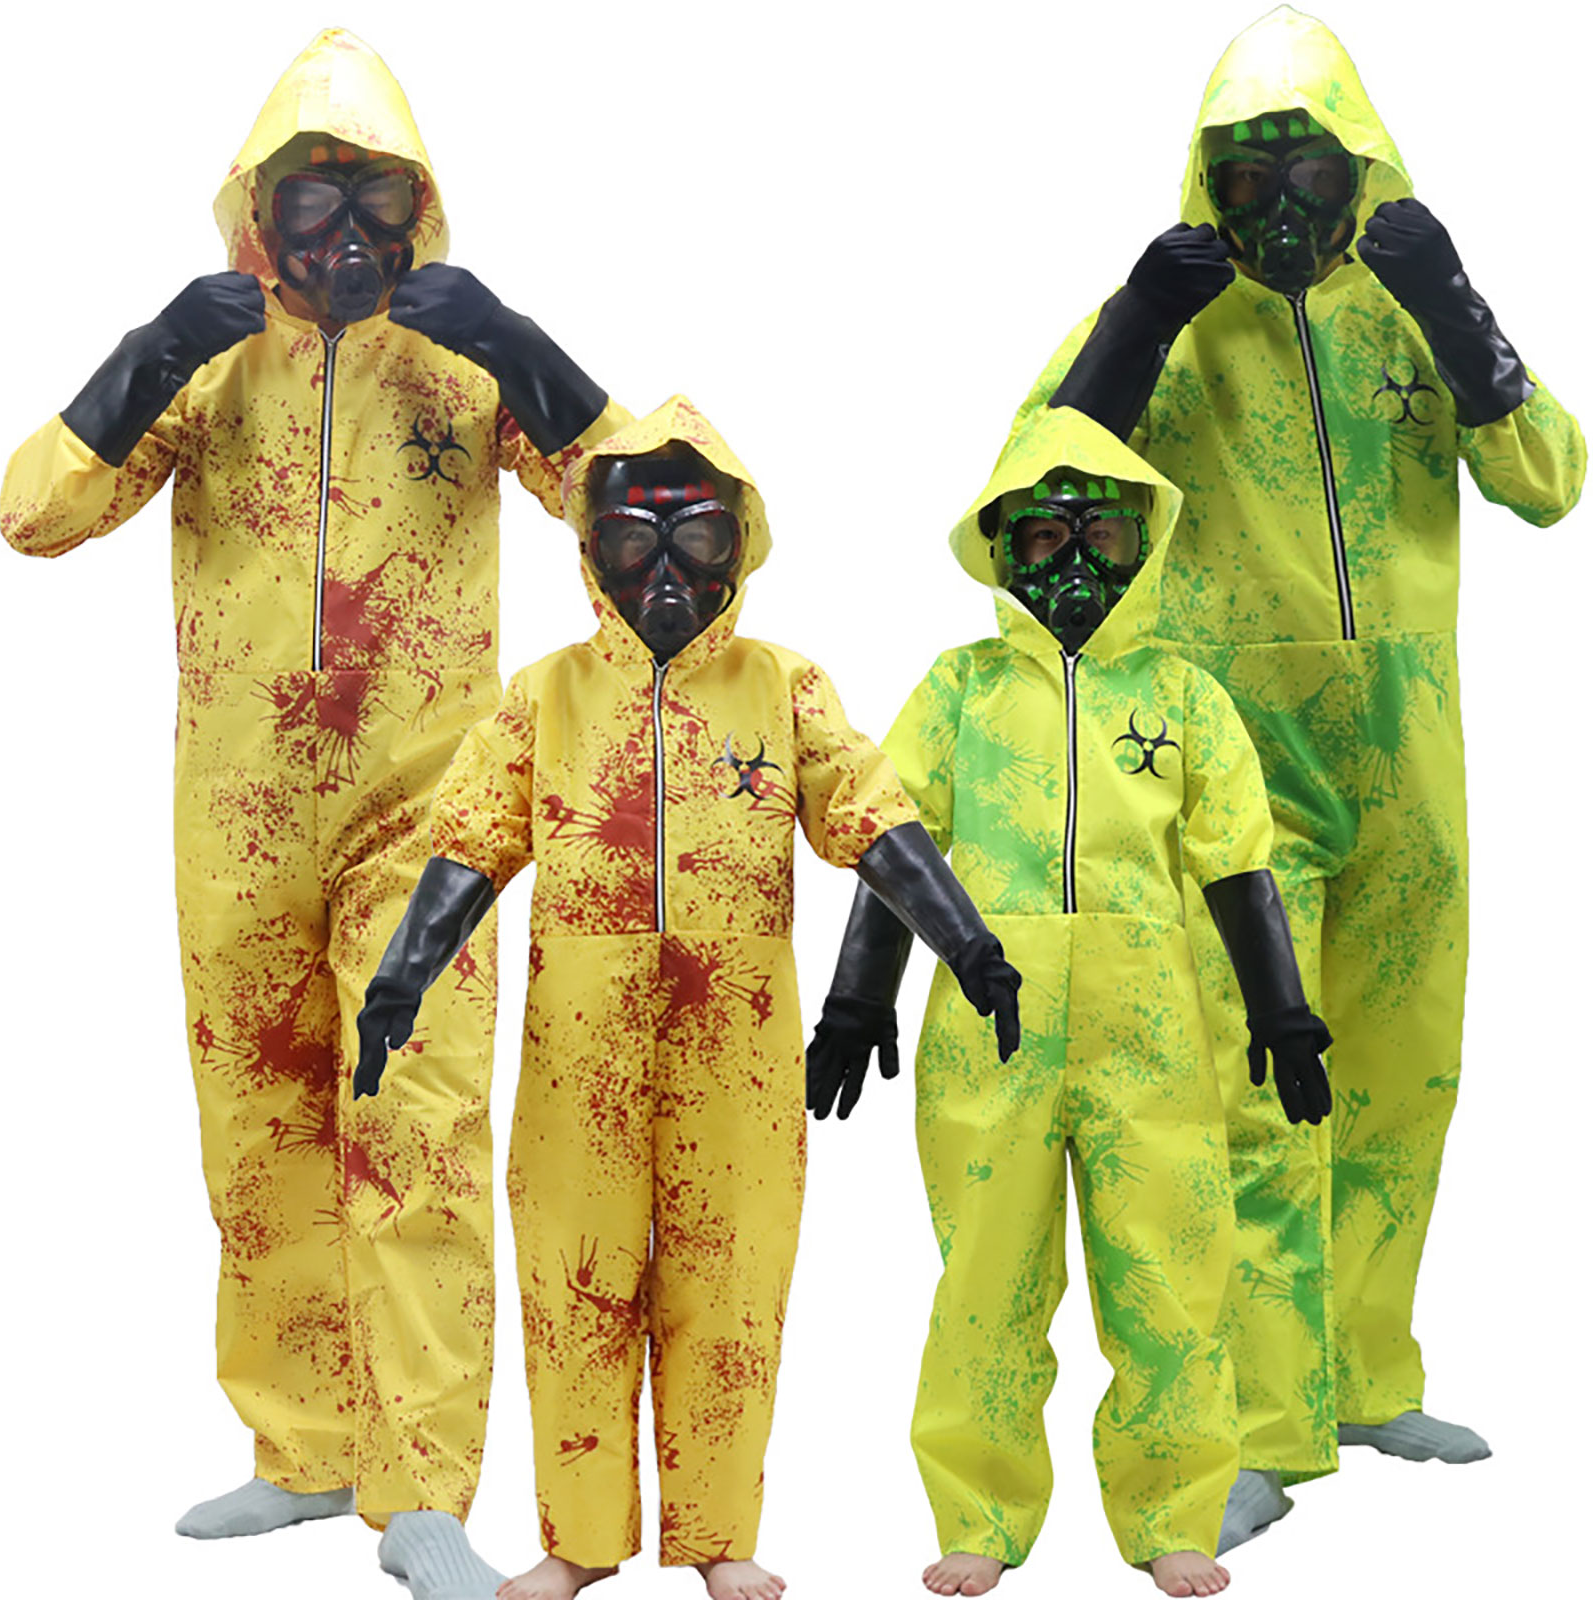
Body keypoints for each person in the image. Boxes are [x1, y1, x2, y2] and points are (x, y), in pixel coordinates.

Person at [0, 27, 627, 1597]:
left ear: (424, 211)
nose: (344, 232)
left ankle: (420, 1495)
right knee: (260, 1124)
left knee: (416, 1122)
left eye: (375, 199)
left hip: (430, 815)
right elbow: (31, 514)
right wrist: (149, 351)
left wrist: (525, 350)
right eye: (311, 199)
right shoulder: (207, 368)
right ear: (254, 216)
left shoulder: (464, 366)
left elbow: (634, 508)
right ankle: (302, 1449)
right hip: (238, 818)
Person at [1000, 4, 1586, 1549]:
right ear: (1208, 182)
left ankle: (1366, 1374)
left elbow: (1548, 483)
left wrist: (1456, 303)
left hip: (1411, 755)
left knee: (1407, 1072)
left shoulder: (1405, 313)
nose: (1280, 204)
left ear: (1363, 169)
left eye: (1309, 169)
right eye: (1246, 173)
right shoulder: (1174, 320)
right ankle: (1259, 1428)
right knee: (1262, 1089)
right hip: (1239, 763)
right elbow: (1022, 501)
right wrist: (1136, 326)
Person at [354, 395, 1022, 1600]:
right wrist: (401, 976)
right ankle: (579, 1538)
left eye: (697, 538)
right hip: (579, 1050)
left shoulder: (782, 689)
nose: (664, 573)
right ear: (591, 551)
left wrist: (966, 941)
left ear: (740, 544)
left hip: (737, 1045)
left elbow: (869, 814)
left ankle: (719, 1534)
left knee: (733, 1279)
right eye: (632, 540)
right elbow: (471, 844)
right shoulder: (546, 696)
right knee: (574, 1280)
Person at [806, 404, 1329, 1599]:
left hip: (1152, 1033)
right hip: (990, 1029)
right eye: (1042, 538)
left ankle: (1173, 1507)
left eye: (1099, 533)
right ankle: (980, 1510)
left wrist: (1279, 1011)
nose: (1073, 561)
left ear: (1142, 541)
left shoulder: (1185, 695)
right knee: (986, 1279)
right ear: (999, 549)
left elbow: (1237, 862)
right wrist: (855, 999)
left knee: (1170, 1273)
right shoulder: (961, 689)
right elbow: (892, 841)